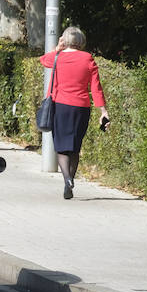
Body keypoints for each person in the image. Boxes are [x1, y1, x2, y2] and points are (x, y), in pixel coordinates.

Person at [41, 26, 110, 200]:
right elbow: (96, 87)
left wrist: (57, 48)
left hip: (61, 106)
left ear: (64, 40)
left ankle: (67, 179)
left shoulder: (58, 57)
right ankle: (71, 178)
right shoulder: (88, 59)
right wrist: (103, 110)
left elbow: (44, 60)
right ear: (81, 41)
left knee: (61, 147)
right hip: (81, 107)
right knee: (74, 147)